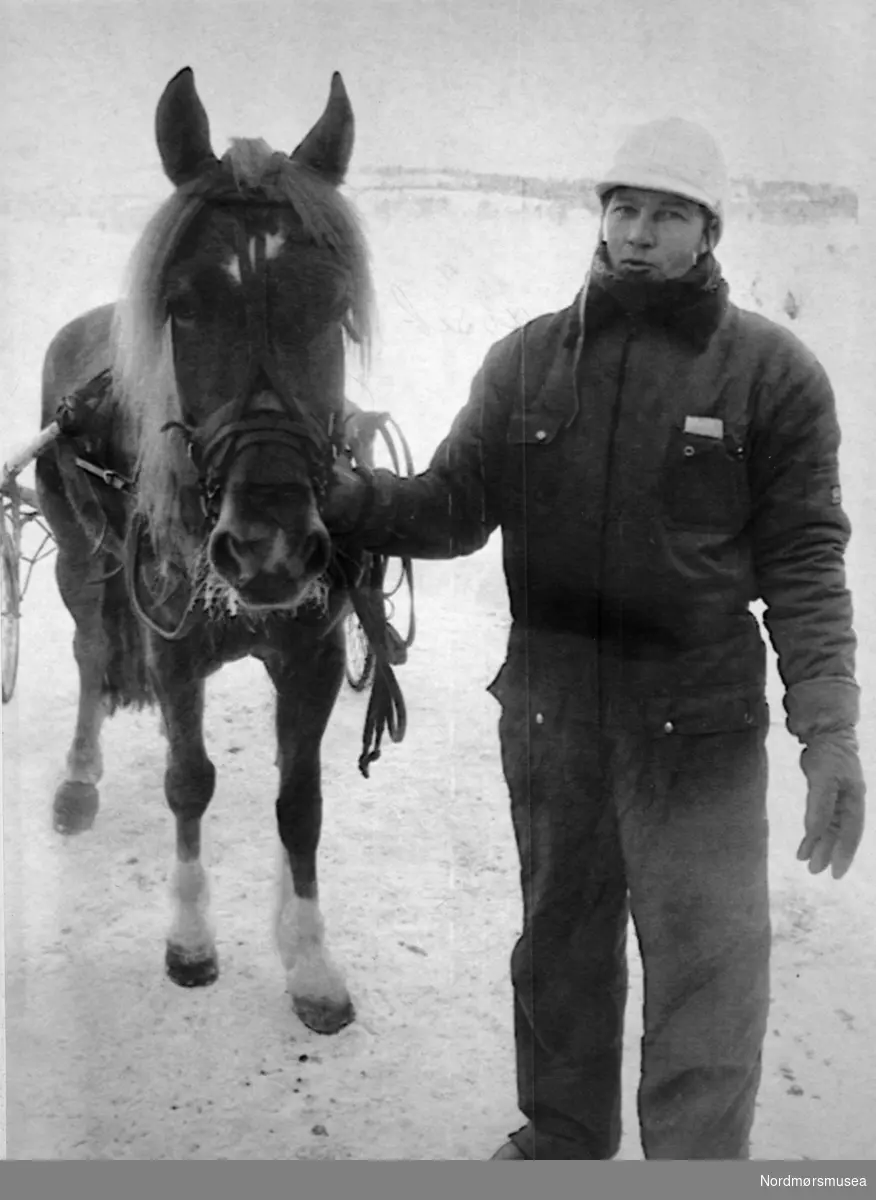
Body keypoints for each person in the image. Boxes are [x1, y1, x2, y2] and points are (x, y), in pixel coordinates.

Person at [324, 117, 866, 1160]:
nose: (636, 234)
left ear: (709, 230)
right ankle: (563, 1144)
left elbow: (804, 562)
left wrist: (829, 731)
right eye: (622, 208)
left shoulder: (772, 373)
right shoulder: (526, 361)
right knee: (558, 955)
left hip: (698, 733)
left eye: (666, 215)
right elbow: (448, 508)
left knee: (708, 972)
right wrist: (344, 499)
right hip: (552, 717)